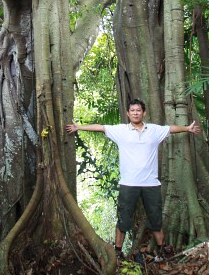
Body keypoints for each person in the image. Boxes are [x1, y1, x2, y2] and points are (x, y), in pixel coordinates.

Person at [66, 98, 201, 263]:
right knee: (124, 219)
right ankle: (117, 252)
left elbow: (171, 129)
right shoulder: (121, 131)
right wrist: (79, 127)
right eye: (133, 110)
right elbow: (100, 127)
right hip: (128, 184)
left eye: (139, 110)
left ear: (143, 113)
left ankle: (161, 252)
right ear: (128, 113)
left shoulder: (154, 130)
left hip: (151, 184)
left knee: (156, 220)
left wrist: (187, 128)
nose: (136, 113)